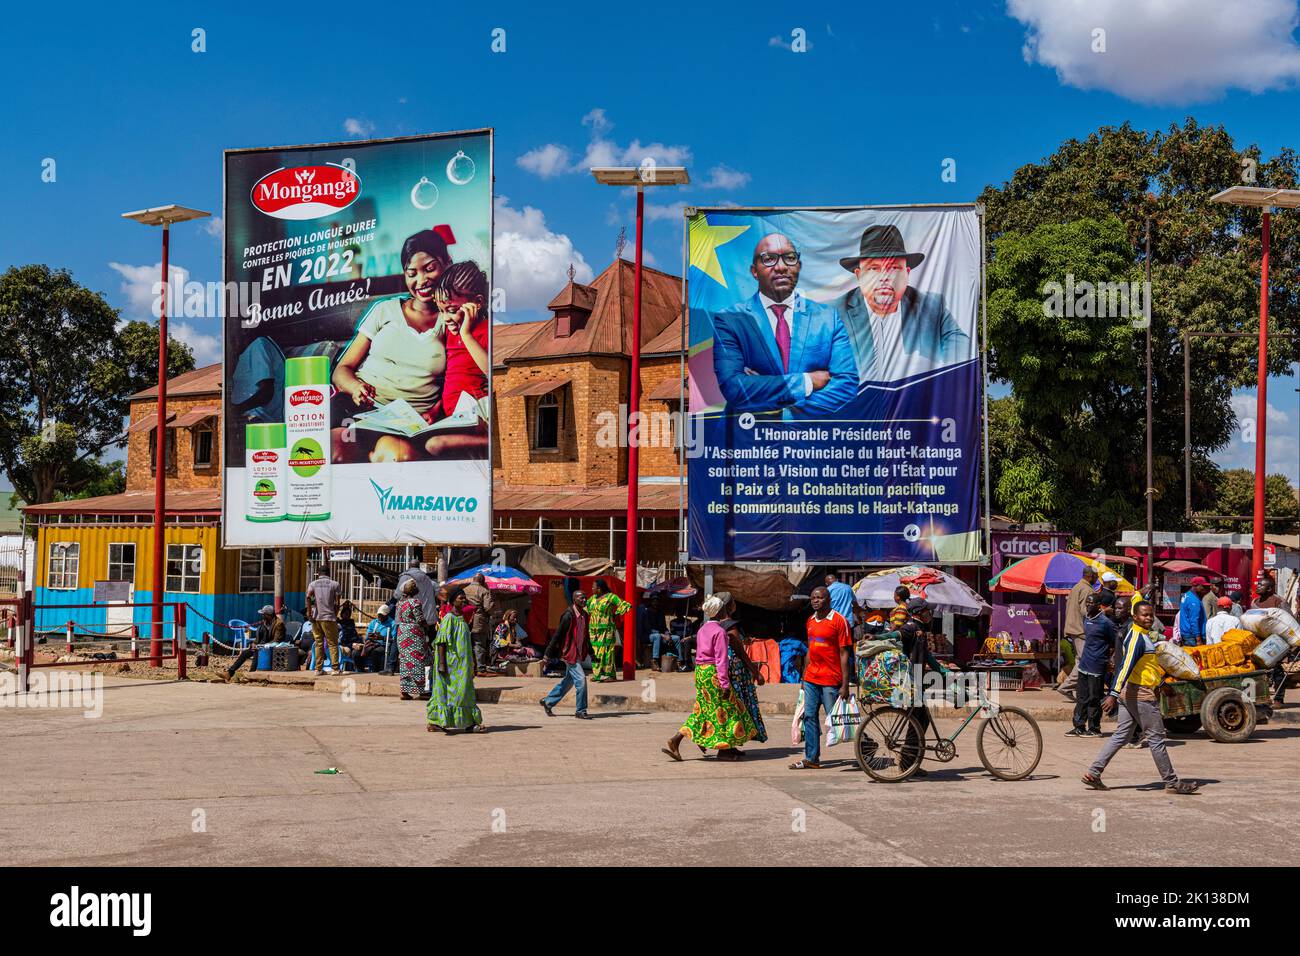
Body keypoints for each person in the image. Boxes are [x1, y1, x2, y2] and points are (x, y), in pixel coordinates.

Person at [330, 226, 456, 463]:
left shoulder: (453, 320)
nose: (421, 280)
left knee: (400, 458)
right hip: (359, 410)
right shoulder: (384, 310)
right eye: (412, 273)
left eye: (430, 268)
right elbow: (341, 370)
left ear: (447, 263)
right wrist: (356, 387)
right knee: (335, 452)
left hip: (407, 422)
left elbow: (460, 379)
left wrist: (436, 410)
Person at [709, 233, 858, 416]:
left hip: (809, 440)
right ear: (754, 271)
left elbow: (847, 384)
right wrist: (807, 382)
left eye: (789, 258)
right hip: (749, 438)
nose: (780, 267)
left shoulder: (828, 318)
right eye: (769, 259)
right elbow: (735, 388)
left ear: (799, 266)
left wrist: (786, 413)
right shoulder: (730, 320)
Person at [1082, 601, 1199, 794]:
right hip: (1140, 695)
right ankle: (1172, 782)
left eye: (1151, 615)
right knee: (1156, 738)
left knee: (1122, 735)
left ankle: (1094, 772)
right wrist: (1112, 694)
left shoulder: (1142, 636)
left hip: (1133, 691)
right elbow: (1125, 667)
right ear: (1135, 617)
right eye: (1144, 615)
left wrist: (1161, 684)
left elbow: (1143, 668)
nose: (1149, 618)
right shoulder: (1137, 637)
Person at [837, 224, 972, 383]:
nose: (885, 277)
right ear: (859, 275)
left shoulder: (933, 308)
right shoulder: (834, 314)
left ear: (906, 274)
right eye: (874, 268)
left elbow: (962, 354)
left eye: (894, 267)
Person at [662, 593, 758, 762]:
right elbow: (721, 660)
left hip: (701, 673)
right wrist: (725, 684)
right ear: (721, 611)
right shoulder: (720, 632)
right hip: (714, 673)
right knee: (725, 710)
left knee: (703, 710)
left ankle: (676, 740)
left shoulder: (702, 629)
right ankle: (724, 750)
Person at [424, 261, 491, 460]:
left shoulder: (485, 331)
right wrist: (436, 409)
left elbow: (493, 372)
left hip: (479, 415)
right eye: (441, 310)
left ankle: (493, 442)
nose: (445, 318)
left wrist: (467, 335)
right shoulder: (451, 334)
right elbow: (453, 377)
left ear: (477, 303)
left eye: (452, 310)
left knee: (435, 445)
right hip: (455, 416)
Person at [788, 586, 853, 770]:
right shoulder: (810, 620)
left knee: (838, 718)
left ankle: (865, 744)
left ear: (828, 599)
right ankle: (811, 758)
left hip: (831, 679)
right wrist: (803, 675)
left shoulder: (839, 621)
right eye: (813, 597)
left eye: (819, 597)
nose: (815, 600)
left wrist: (845, 684)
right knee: (809, 717)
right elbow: (810, 649)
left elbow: (844, 654)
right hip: (811, 678)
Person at [427, 590, 484, 733]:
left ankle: (469, 722)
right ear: (452, 601)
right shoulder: (448, 619)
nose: (464, 601)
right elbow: (441, 642)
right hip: (450, 663)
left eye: (465, 599)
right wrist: (441, 664)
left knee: (464, 692)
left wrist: (473, 663)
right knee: (446, 693)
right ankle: (436, 722)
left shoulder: (462, 619)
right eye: (461, 599)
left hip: (462, 665)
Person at [719, 594, 767, 745]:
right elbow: (740, 652)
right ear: (730, 606)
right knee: (738, 706)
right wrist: (756, 672)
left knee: (726, 708)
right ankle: (731, 743)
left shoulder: (711, 625)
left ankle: (730, 743)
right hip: (735, 672)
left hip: (720, 670)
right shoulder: (730, 626)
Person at [1067, 590, 1116, 737]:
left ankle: (1094, 728)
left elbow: (1113, 643)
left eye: (1091, 603)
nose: (1088, 605)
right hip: (1084, 665)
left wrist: (1109, 660)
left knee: (1094, 698)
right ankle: (1079, 726)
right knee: (1082, 697)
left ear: (1098, 605)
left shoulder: (1105, 622)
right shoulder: (1086, 618)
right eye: (1087, 603)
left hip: (1097, 666)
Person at [540, 590, 591, 719]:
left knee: (568, 681)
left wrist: (592, 653)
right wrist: (547, 654)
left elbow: (586, 636)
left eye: (585, 598)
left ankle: (548, 701)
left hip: (578, 652)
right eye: (581, 598)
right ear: (574, 600)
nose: (584, 600)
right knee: (581, 680)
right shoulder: (568, 615)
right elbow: (557, 635)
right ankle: (581, 710)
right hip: (569, 653)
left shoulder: (585, 615)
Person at [1058, 569, 1099, 699]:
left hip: (1072, 628)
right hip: (1081, 630)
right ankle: (1066, 687)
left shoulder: (1076, 587)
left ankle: (1070, 687)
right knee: (1084, 661)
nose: (1097, 579)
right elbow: (1086, 611)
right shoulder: (1087, 590)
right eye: (1096, 576)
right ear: (1091, 576)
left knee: (1079, 660)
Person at [584, 578, 631, 682]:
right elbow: (584, 608)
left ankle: (611, 675)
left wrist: (614, 615)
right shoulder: (592, 599)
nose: (592, 588)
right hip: (594, 631)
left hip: (607, 631)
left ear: (599, 589)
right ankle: (597, 675)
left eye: (593, 587)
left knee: (608, 652)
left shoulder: (611, 597)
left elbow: (624, 605)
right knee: (595, 652)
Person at [223, 605, 284, 680]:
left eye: (263, 614)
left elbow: (276, 641)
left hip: (273, 648)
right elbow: (259, 637)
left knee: (257, 651)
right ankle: (229, 673)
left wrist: (261, 646)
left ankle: (252, 673)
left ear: (268, 615)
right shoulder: (265, 622)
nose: (262, 616)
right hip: (262, 647)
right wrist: (254, 643)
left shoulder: (279, 624)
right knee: (245, 653)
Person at [394, 579, 430, 701]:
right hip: (414, 633)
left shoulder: (400, 603)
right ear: (414, 590)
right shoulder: (415, 602)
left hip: (402, 632)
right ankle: (423, 691)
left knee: (405, 661)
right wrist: (427, 626)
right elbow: (420, 619)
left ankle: (404, 692)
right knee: (421, 660)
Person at [307, 567, 342, 675]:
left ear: (318, 574)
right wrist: (335, 615)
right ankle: (335, 669)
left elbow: (308, 597)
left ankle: (318, 669)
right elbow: (337, 603)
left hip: (316, 618)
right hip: (329, 618)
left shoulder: (313, 584)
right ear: (329, 573)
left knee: (318, 643)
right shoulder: (335, 584)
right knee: (332, 644)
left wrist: (309, 613)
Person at [462, 573, 496, 676]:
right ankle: (481, 669)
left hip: (465, 619)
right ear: (482, 581)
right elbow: (488, 608)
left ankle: (469, 668)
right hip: (479, 621)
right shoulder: (484, 591)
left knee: (466, 644)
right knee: (479, 644)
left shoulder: (465, 589)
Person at [362, 604, 396, 673]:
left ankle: (375, 672)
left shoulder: (392, 624)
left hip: (384, 645)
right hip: (372, 644)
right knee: (356, 653)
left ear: (387, 615)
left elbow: (394, 639)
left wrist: (382, 638)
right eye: (379, 614)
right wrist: (370, 637)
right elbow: (367, 636)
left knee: (376, 652)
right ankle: (360, 671)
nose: (380, 616)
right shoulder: (374, 622)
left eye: (382, 615)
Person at [1179, 577, 1211, 648]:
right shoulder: (1194, 601)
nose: (1204, 588)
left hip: (1187, 634)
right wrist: (1198, 639)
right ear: (1196, 586)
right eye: (1203, 586)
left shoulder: (1187, 595)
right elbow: (1194, 621)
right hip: (1192, 636)